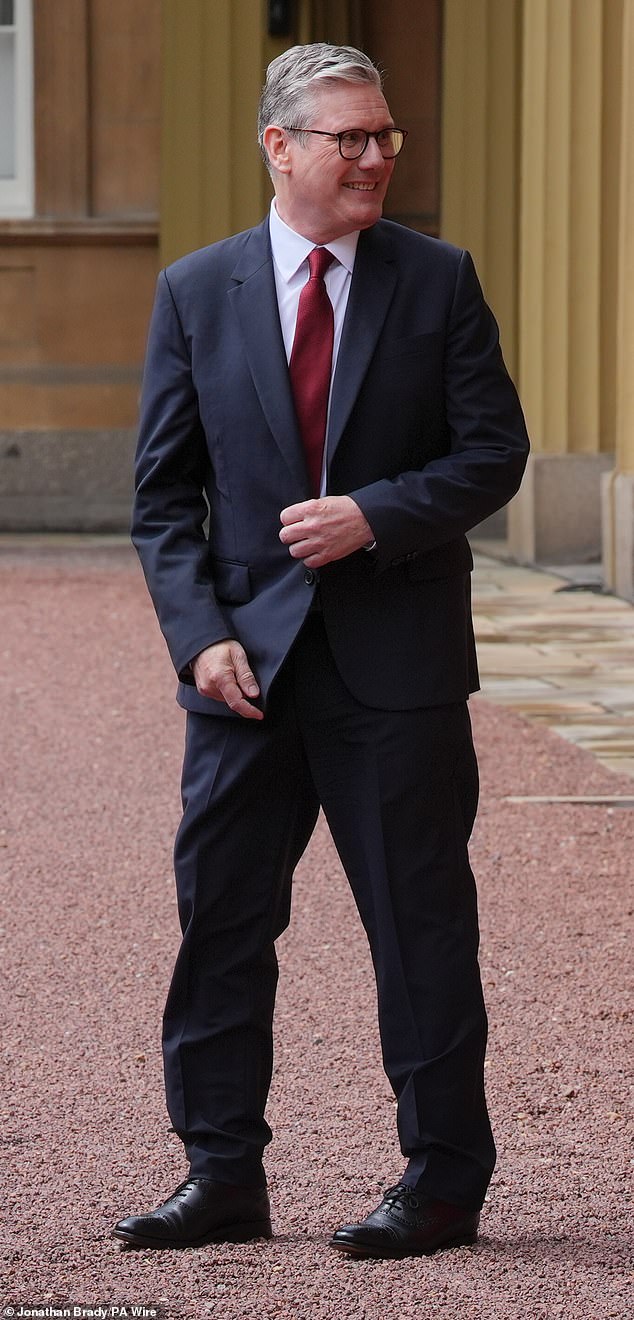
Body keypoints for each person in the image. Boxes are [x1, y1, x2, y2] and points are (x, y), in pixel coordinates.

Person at [113, 42, 529, 1259]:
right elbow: (161, 500)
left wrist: (376, 515)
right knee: (222, 927)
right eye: (350, 137)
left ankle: (442, 1183)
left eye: (385, 135)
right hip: (243, 676)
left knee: (419, 928)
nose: (377, 156)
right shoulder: (197, 291)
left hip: (394, 667)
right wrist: (197, 644)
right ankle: (220, 1174)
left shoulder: (437, 279)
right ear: (278, 147)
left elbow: (491, 453)